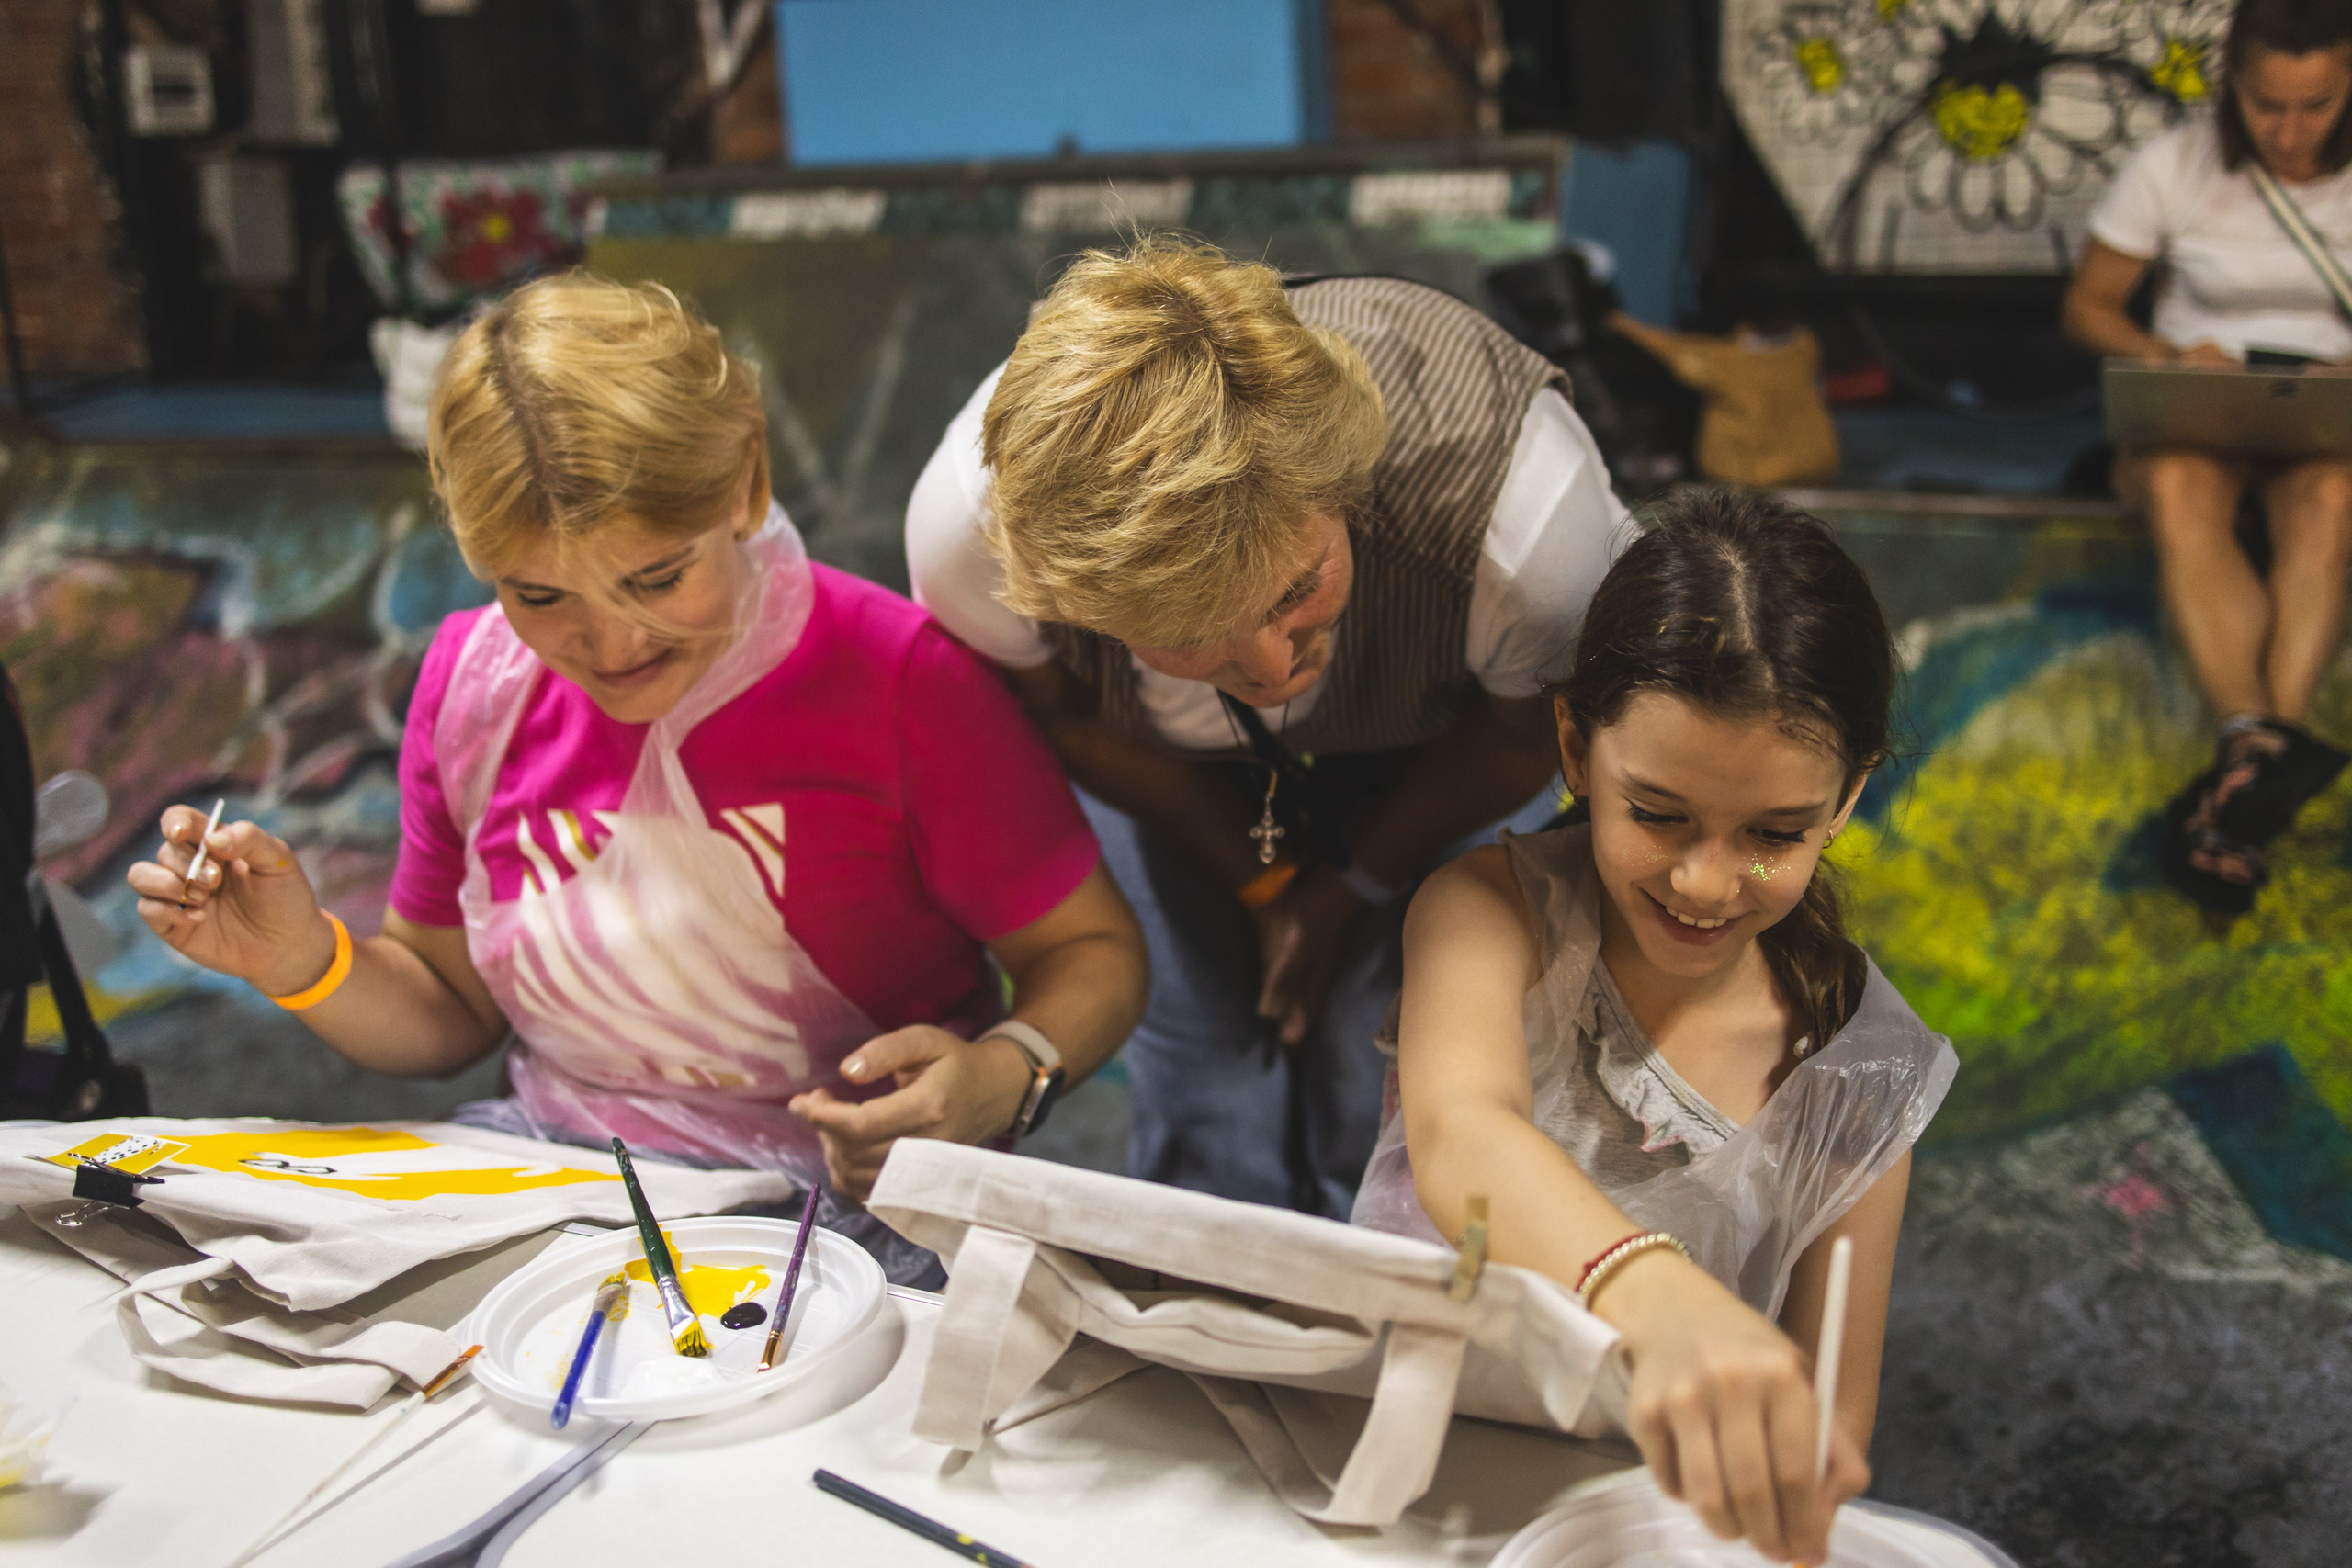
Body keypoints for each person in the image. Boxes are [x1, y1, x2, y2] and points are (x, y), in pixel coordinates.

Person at [129, 274, 1148, 1280]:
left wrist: (1007, 1071)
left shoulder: (901, 682)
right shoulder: (474, 689)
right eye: (538, 594)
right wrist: (302, 958)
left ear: (744, 486)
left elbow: (1093, 951)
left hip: (850, 1210)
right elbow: (449, 1014)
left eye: (659, 576)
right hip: (557, 1171)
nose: (610, 639)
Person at [907, 237, 1634, 1217]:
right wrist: (1260, 883)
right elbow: (1071, 725)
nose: (1268, 668)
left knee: (1382, 1058)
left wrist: (1347, 888)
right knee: (1205, 1071)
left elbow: (1514, 741)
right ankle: (1213, 1325)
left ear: (1339, 490)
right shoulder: (970, 539)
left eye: (1298, 589)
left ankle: (1387, 1313)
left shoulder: (1521, 519)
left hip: (1437, 743)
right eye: (1187, 638)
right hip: (1154, 766)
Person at [1353, 489, 1955, 1564]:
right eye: (1657, 814)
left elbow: (1822, 1439)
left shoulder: (1860, 1082)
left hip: (1631, 1528)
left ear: (1848, 798)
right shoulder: (1487, 915)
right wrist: (1654, 1293)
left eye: (1773, 833)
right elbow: (1464, 1136)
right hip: (1385, 1464)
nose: (1704, 881)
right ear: (1575, 752)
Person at [2063, 0, 2352, 912]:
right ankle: (2265, 753)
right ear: (2235, 86)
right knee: (2182, 483)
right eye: (2270, 106)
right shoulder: (2173, 164)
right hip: (2195, 405)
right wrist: (2164, 355)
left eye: (2317, 106)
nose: (2292, 129)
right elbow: (2088, 307)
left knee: (2333, 498)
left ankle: (2250, 755)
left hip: (2324, 418)